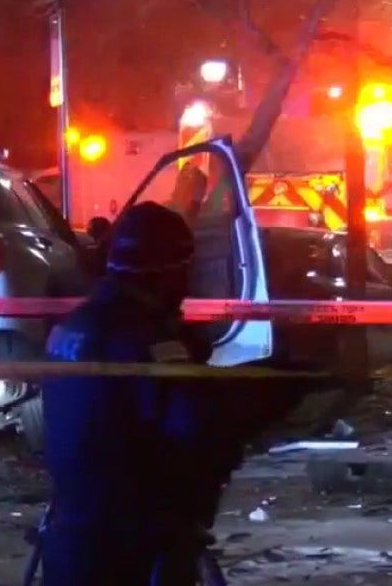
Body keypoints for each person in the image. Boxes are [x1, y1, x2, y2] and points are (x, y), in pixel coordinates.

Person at [39, 201, 249, 586]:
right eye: (185, 269)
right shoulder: (147, 341)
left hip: (69, 537)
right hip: (134, 547)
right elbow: (198, 429)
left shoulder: (72, 327)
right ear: (166, 272)